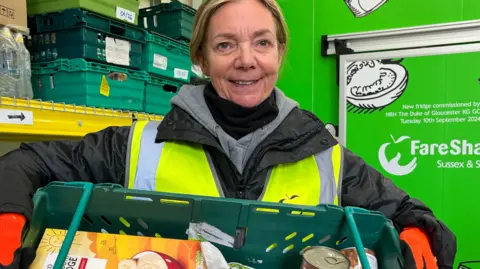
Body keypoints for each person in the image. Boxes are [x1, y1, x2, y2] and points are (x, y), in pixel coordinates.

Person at [0, 0, 456, 268]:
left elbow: (420, 218)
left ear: (279, 52)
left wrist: (417, 241)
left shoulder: (327, 155)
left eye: (262, 42)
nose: (246, 60)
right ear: (200, 58)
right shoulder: (135, 145)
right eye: (225, 45)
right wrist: (8, 222)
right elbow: (26, 163)